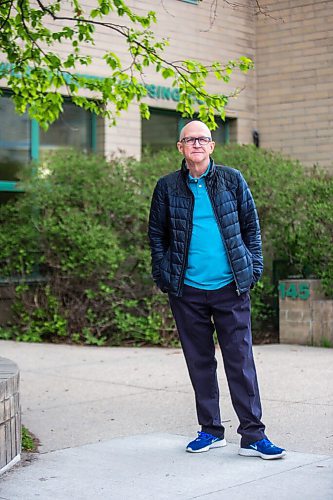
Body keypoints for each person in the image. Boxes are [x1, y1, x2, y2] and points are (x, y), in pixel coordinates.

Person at [148, 120, 286, 460]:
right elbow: (157, 236)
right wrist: (165, 276)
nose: (196, 143)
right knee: (200, 362)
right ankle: (210, 431)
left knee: (240, 362)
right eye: (189, 139)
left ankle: (253, 435)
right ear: (180, 148)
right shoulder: (167, 187)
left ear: (211, 146)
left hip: (231, 287)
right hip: (187, 290)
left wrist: (252, 269)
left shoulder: (231, 180)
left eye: (202, 139)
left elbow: (251, 228)